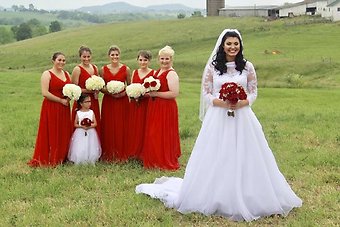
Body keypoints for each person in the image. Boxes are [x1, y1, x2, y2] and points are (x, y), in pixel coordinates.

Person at [136, 29, 302, 221]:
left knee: (247, 154)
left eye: (236, 43)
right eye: (229, 44)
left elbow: (253, 91)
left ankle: (250, 193)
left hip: (242, 116)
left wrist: (242, 102)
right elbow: (207, 93)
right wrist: (221, 103)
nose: (232, 47)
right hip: (218, 116)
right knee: (217, 153)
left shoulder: (247, 67)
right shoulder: (213, 68)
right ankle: (216, 193)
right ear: (223, 46)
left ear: (240, 45)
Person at [28, 52, 72, 167]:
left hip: (65, 107)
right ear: (53, 61)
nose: (61, 62)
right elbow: (45, 92)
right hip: (51, 106)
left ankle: (62, 156)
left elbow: (71, 89)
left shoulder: (67, 74)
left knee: (63, 130)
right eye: (59, 60)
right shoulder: (47, 74)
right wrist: (60, 100)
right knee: (52, 130)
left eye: (63, 60)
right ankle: (50, 157)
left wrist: (69, 98)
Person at [140, 45, 181, 170]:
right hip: (155, 106)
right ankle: (155, 157)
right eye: (162, 59)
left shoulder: (171, 74)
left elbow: (174, 93)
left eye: (167, 59)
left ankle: (164, 159)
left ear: (171, 59)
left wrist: (155, 94)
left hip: (166, 107)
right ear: (158, 59)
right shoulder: (158, 72)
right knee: (155, 133)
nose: (164, 61)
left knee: (163, 132)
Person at [100, 45, 131, 162]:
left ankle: (123, 152)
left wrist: (121, 94)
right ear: (109, 56)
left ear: (119, 55)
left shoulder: (126, 69)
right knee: (108, 124)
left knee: (122, 125)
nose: (115, 57)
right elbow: (101, 86)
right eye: (112, 55)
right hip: (109, 100)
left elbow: (129, 85)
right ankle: (109, 153)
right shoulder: (103, 69)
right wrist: (109, 92)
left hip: (122, 101)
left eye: (117, 54)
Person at [126, 50, 155, 160]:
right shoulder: (134, 72)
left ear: (149, 61)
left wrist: (143, 95)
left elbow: (153, 90)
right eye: (141, 60)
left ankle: (145, 152)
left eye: (145, 60)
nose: (143, 62)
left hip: (146, 104)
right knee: (135, 127)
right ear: (137, 60)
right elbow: (132, 86)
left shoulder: (153, 73)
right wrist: (134, 95)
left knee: (145, 126)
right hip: (135, 104)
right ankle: (134, 152)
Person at [71, 46, 101, 137]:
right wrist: (88, 91)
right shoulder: (77, 69)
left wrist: (97, 90)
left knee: (93, 121)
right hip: (82, 100)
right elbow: (75, 88)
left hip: (93, 100)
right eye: (84, 57)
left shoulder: (95, 68)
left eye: (88, 56)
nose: (86, 59)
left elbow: (98, 83)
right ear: (80, 57)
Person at [68, 93, 101, 164]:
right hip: (80, 132)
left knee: (91, 144)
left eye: (90, 101)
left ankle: (91, 159)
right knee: (80, 145)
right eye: (87, 102)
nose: (89, 104)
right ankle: (80, 158)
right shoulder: (78, 113)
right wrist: (82, 126)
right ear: (81, 103)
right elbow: (75, 124)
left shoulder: (91, 112)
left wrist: (89, 126)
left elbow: (95, 123)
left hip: (91, 132)